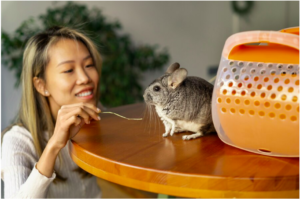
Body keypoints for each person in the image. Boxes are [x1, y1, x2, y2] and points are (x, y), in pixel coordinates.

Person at [1, 26, 103, 198]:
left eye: (89, 65)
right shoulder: (18, 142)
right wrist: (54, 145)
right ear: (42, 85)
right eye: (69, 70)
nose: (85, 78)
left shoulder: (96, 116)